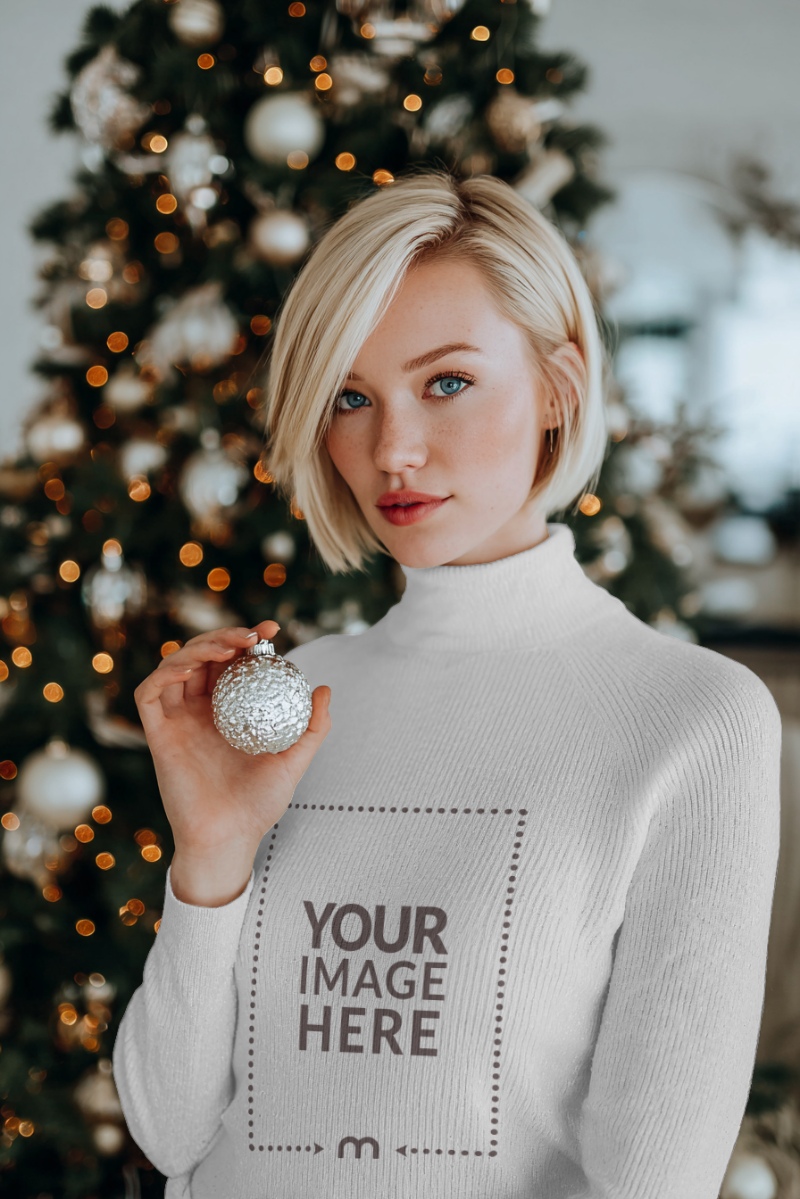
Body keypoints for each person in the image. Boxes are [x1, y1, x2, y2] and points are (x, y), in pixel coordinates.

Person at [112, 167, 782, 1199]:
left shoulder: (689, 718)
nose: (394, 450)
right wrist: (211, 853)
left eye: (447, 381)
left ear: (557, 386)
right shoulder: (288, 701)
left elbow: (652, 1177)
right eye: (349, 396)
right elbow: (169, 1129)